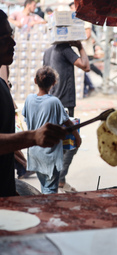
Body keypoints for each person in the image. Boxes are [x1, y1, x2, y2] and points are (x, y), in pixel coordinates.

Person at [0, 10, 66, 197]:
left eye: (11, 35)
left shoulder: (2, 86)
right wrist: (31, 137)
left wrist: (12, 149)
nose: (13, 42)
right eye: (4, 37)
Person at [22, 66, 81, 194]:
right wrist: (78, 138)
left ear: (35, 81)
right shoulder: (54, 102)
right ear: (54, 83)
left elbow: (27, 119)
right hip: (50, 154)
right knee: (50, 190)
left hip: (34, 152)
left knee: (45, 185)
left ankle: (44, 209)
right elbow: (68, 123)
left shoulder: (29, 99)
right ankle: (47, 212)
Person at [43, 41, 89, 192]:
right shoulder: (65, 49)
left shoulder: (48, 51)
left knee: (57, 143)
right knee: (72, 143)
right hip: (65, 104)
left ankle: (54, 179)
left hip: (51, 102)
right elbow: (86, 66)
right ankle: (60, 179)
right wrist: (80, 46)